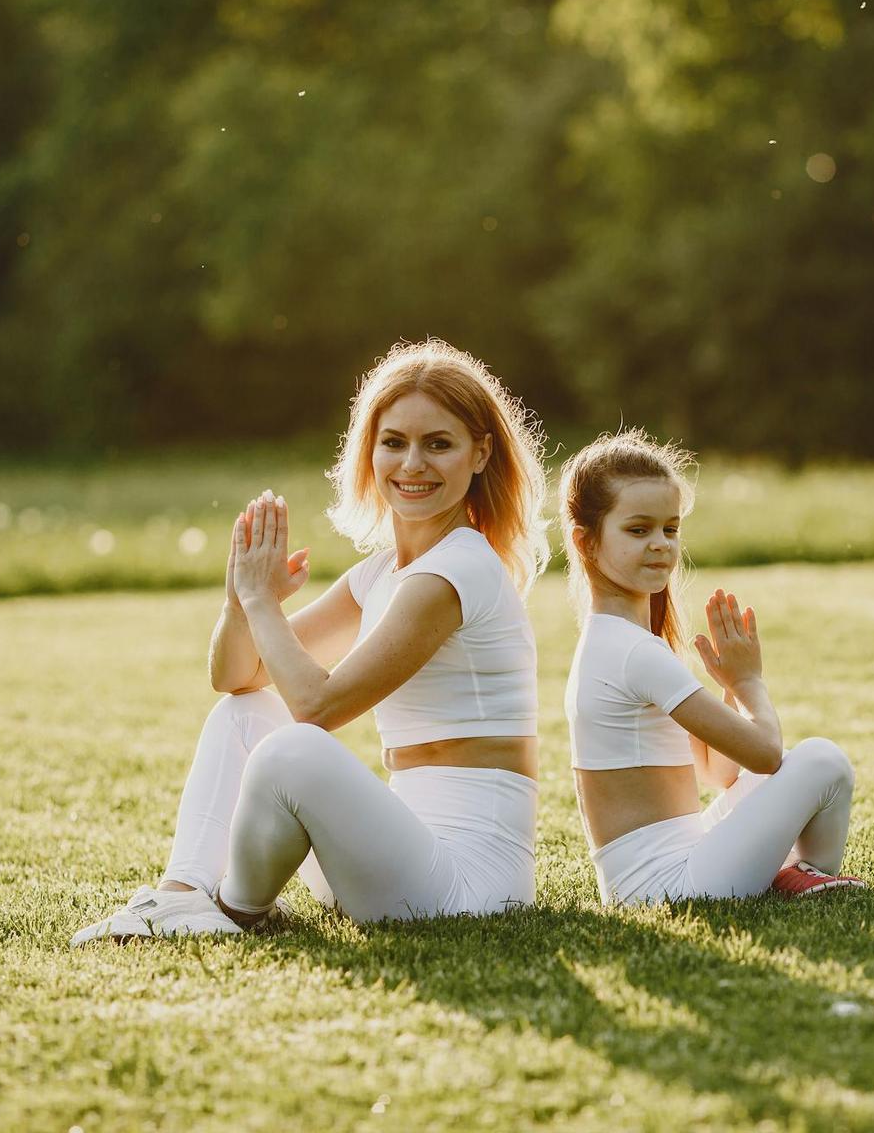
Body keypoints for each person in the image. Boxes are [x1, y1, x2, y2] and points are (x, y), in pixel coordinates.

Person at [72, 340, 547, 944]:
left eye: (439, 444)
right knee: (245, 714)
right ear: (369, 450)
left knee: (293, 749)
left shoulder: (457, 571)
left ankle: (233, 914)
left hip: (470, 887)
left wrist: (263, 601)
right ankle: (183, 894)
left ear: (480, 454)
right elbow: (236, 676)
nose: (412, 464)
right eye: (394, 442)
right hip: (398, 854)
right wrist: (240, 601)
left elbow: (318, 707)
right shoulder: (381, 572)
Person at [558, 430, 864, 906]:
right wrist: (749, 683)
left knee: (781, 776)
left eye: (670, 528)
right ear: (586, 542)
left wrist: (729, 692)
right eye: (638, 530)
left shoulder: (620, 641)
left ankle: (794, 873)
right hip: (667, 888)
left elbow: (717, 771)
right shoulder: (633, 651)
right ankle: (803, 875)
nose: (660, 544)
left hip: (673, 865)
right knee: (823, 760)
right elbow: (764, 753)